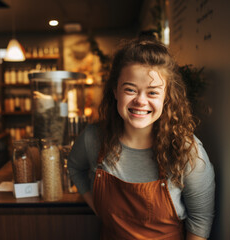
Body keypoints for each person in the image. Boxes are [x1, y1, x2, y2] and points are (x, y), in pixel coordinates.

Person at [68, 38, 215, 240]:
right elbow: (75, 167)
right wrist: (97, 208)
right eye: (130, 89)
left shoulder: (187, 149)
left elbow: (200, 221)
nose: (140, 101)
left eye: (153, 92)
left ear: (167, 97)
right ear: (115, 91)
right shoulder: (93, 138)